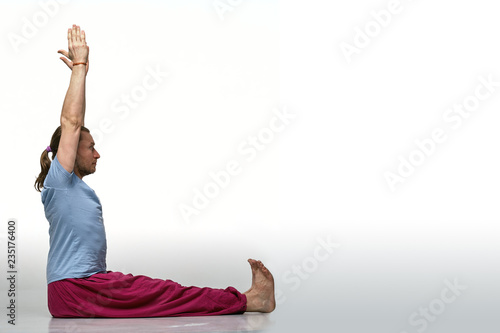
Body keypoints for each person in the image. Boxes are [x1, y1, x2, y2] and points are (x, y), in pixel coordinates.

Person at [34, 24, 275, 318]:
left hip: (82, 288)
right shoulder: (59, 180)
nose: (97, 153)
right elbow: (71, 122)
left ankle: (247, 300)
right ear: (68, 153)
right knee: (165, 293)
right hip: (77, 289)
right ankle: (251, 301)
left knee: (163, 293)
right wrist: (80, 68)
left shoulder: (74, 188)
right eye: (90, 147)